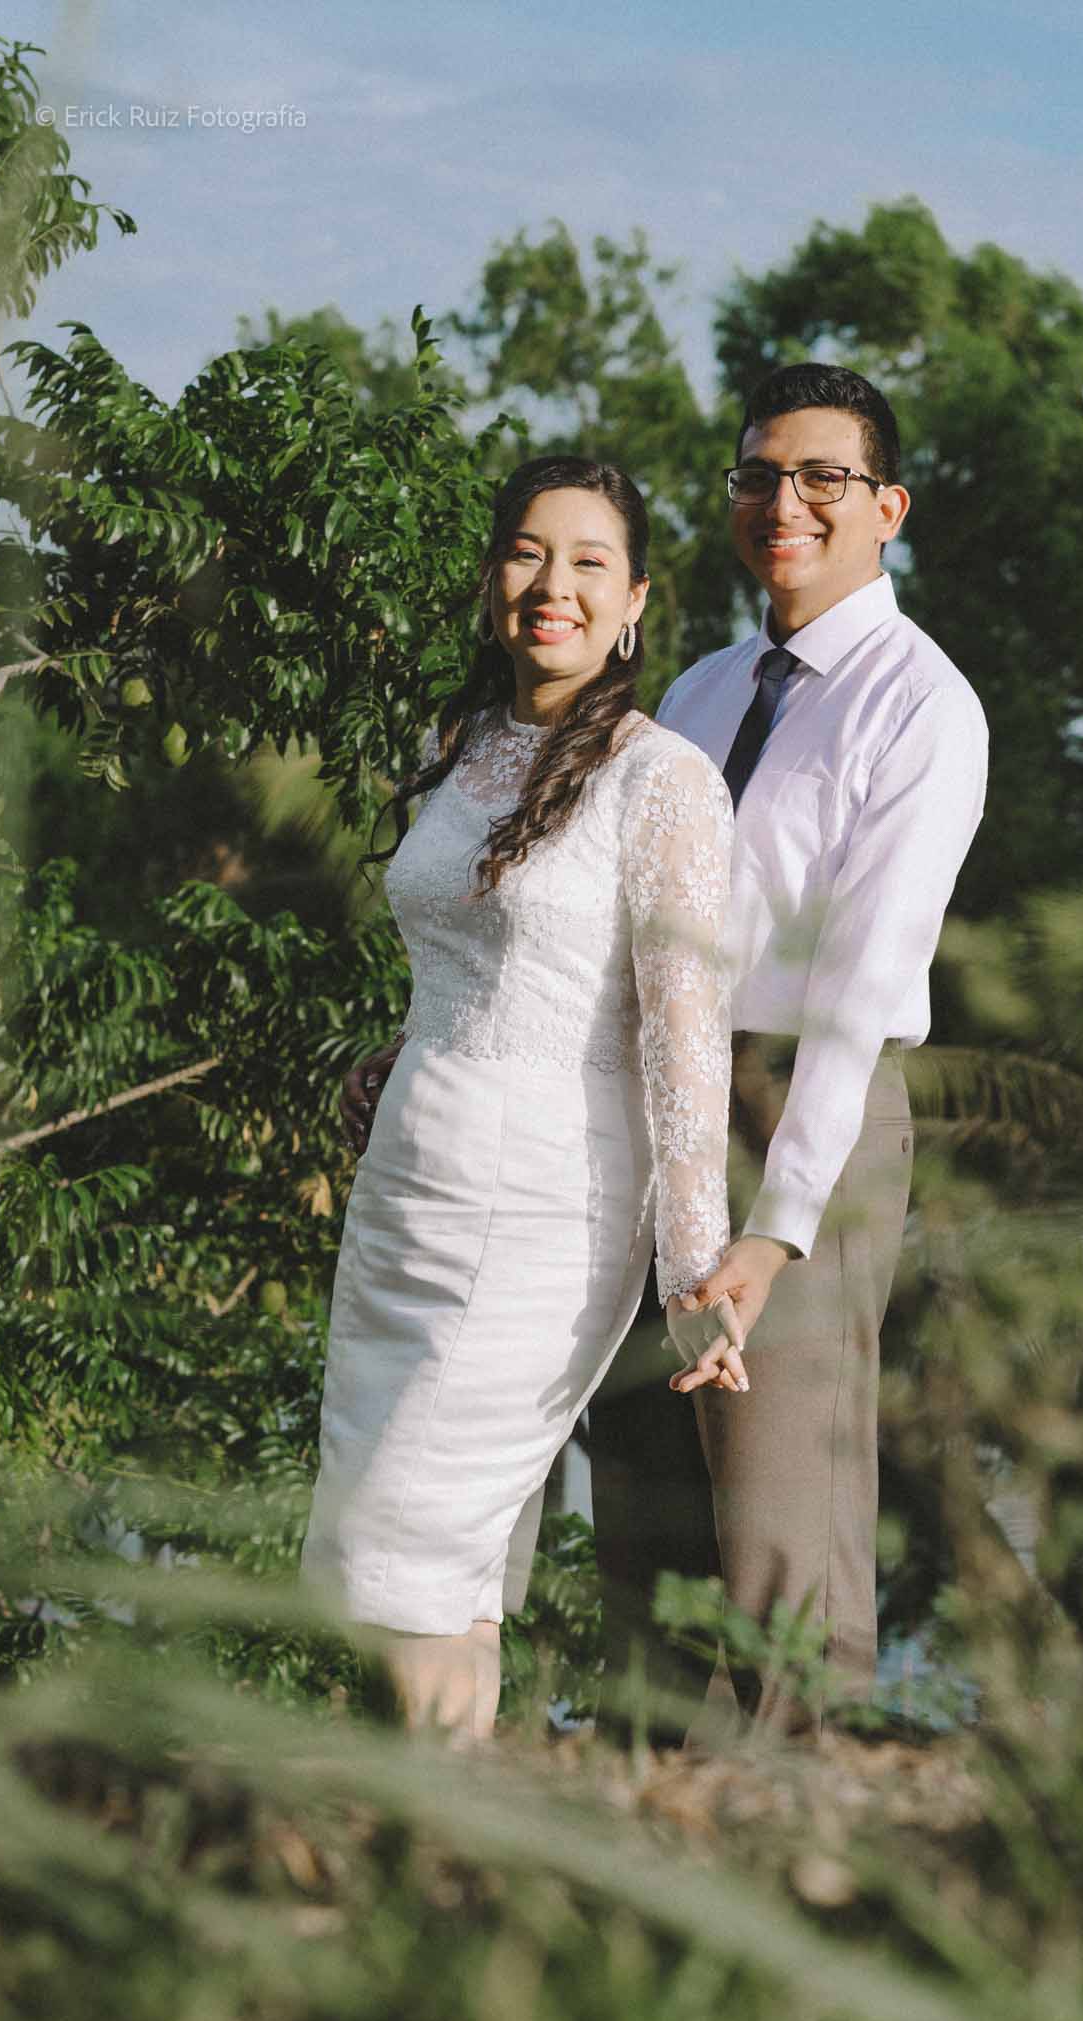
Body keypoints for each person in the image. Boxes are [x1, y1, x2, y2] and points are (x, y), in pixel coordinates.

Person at [302, 455, 745, 1746]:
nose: (553, 584)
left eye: (589, 562)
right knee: (399, 1549)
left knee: (412, 1537)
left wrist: (695, 1267)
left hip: (544, 1198)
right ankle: (438, 1822)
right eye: (527, 553)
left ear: (634, 603)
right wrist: (401, 1052)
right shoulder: (459, 748)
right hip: (409, 1179)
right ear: (493, 578)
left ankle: (434, 1813)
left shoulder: (664, 780)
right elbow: (477, 959)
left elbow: (684, 1032)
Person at [587, 362, 990, 1736]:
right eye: (759, 475)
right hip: (659, 1097)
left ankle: (810, 1812)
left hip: (799, 1104)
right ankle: (639, 1808)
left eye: (823, 477)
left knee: (777, 1511)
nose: (785, 503)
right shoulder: (698, 690)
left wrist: (777, 1232)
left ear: (888, 507)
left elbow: (862, 988)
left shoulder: (919, 704)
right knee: (641, 1490)